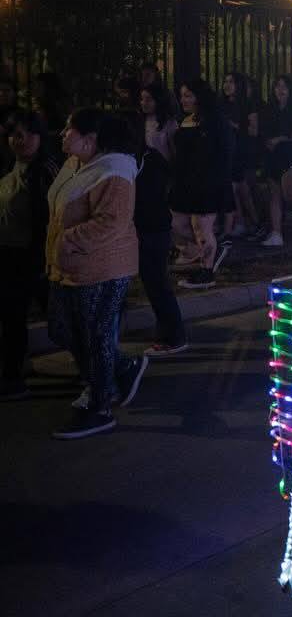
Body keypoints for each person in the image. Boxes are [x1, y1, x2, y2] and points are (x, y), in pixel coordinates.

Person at [45, 109, 145, 439]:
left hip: (105, 266)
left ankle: (100, 406)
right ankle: (123, 368)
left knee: (96, 334)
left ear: (90, 139)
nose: (63, 134)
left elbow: (111, 222)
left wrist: (67, 241)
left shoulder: (114, 171)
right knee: (62, 328)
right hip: (72, 264)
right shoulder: (77, 164)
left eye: (69, 130)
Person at [0, 111, 61, 399]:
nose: (19, 139)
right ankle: (13, 376)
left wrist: (45, 257)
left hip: (36, 256)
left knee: (61, 321)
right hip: (10, 255)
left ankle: (101, 370)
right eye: (13, 133)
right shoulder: (9, 165)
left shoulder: (46, 169)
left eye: (26, 133)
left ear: (40, 135)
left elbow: (55, 216)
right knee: (12, 317)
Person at [124, 112, 186, 355]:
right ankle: (170, 333)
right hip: (151, 227)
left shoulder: (143, 161)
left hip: (150, 229)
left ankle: (173, 336)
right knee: (153, 283)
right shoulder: (145, 158)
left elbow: (151, 196)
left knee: (156, 284)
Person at [170, 79, 234, 288]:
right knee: (178, 222)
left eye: (188, 95)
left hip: (207, 181)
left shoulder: (215, 121)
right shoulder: (186, 120)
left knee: (201, 226)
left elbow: (222, 153)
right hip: (186, 181)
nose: (183, 100)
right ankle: (206, 252)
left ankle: (206, 271)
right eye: (182, 96)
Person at [257, 74, 292, 247]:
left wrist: (281, 138)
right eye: (277, 86)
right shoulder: (269, 108)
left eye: (284, 86)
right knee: (274, 194)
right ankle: (276, 232)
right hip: (273, 155)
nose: (280, 90)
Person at [220, 71, 260, 238]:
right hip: (227, 150)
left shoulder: (248, 105)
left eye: (231, 81)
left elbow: (254, 130)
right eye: (225, 81)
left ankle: (254, 222)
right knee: (234, 189)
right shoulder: (221, 104)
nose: (227, 85)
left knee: (242, 189)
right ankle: (242, 221)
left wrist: (233, 125)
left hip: (241, 150)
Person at [139, 82, 178, 160]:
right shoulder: (140, 120)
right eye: (142, 99)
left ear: (159, 100)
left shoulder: (169, 123)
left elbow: (174, 152)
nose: (144, 103)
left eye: (149, 99)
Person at [33, 71, 71, 136]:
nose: (35, 88)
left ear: (48, 87)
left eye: (39, 85)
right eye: (35, 85)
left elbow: (67, 127)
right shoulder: (39, 105)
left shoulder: (59, 105)